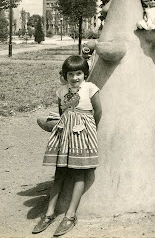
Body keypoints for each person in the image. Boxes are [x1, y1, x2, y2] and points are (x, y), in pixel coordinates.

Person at [32, 56, 102, 236]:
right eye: (70, 74)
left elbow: (98, 111)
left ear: (84, 74)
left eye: (78, 73)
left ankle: (70, 215)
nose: (75, 77)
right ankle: (49, 213)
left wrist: (89, 130)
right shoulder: (61, 91)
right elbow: (62, 112)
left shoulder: (90, 88)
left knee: (79, 173)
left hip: (82, 133)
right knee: (60, 171)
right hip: (64, 134)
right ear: (65, 75)